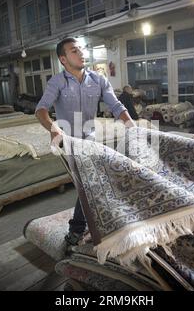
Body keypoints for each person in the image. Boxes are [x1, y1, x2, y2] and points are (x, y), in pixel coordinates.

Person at [35, 38, 135, 246]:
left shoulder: (98, 80)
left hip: (89, 139)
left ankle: (89, 222)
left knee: (91, 181)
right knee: (87, 181)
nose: (81, 54)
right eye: (74, 51)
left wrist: (133, 127)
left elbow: (116, 106)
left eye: (81, 50)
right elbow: (41, 110)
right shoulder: (57, 82)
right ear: (63, 59)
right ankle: (77, 229)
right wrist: (54, 129)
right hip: (69, 140)